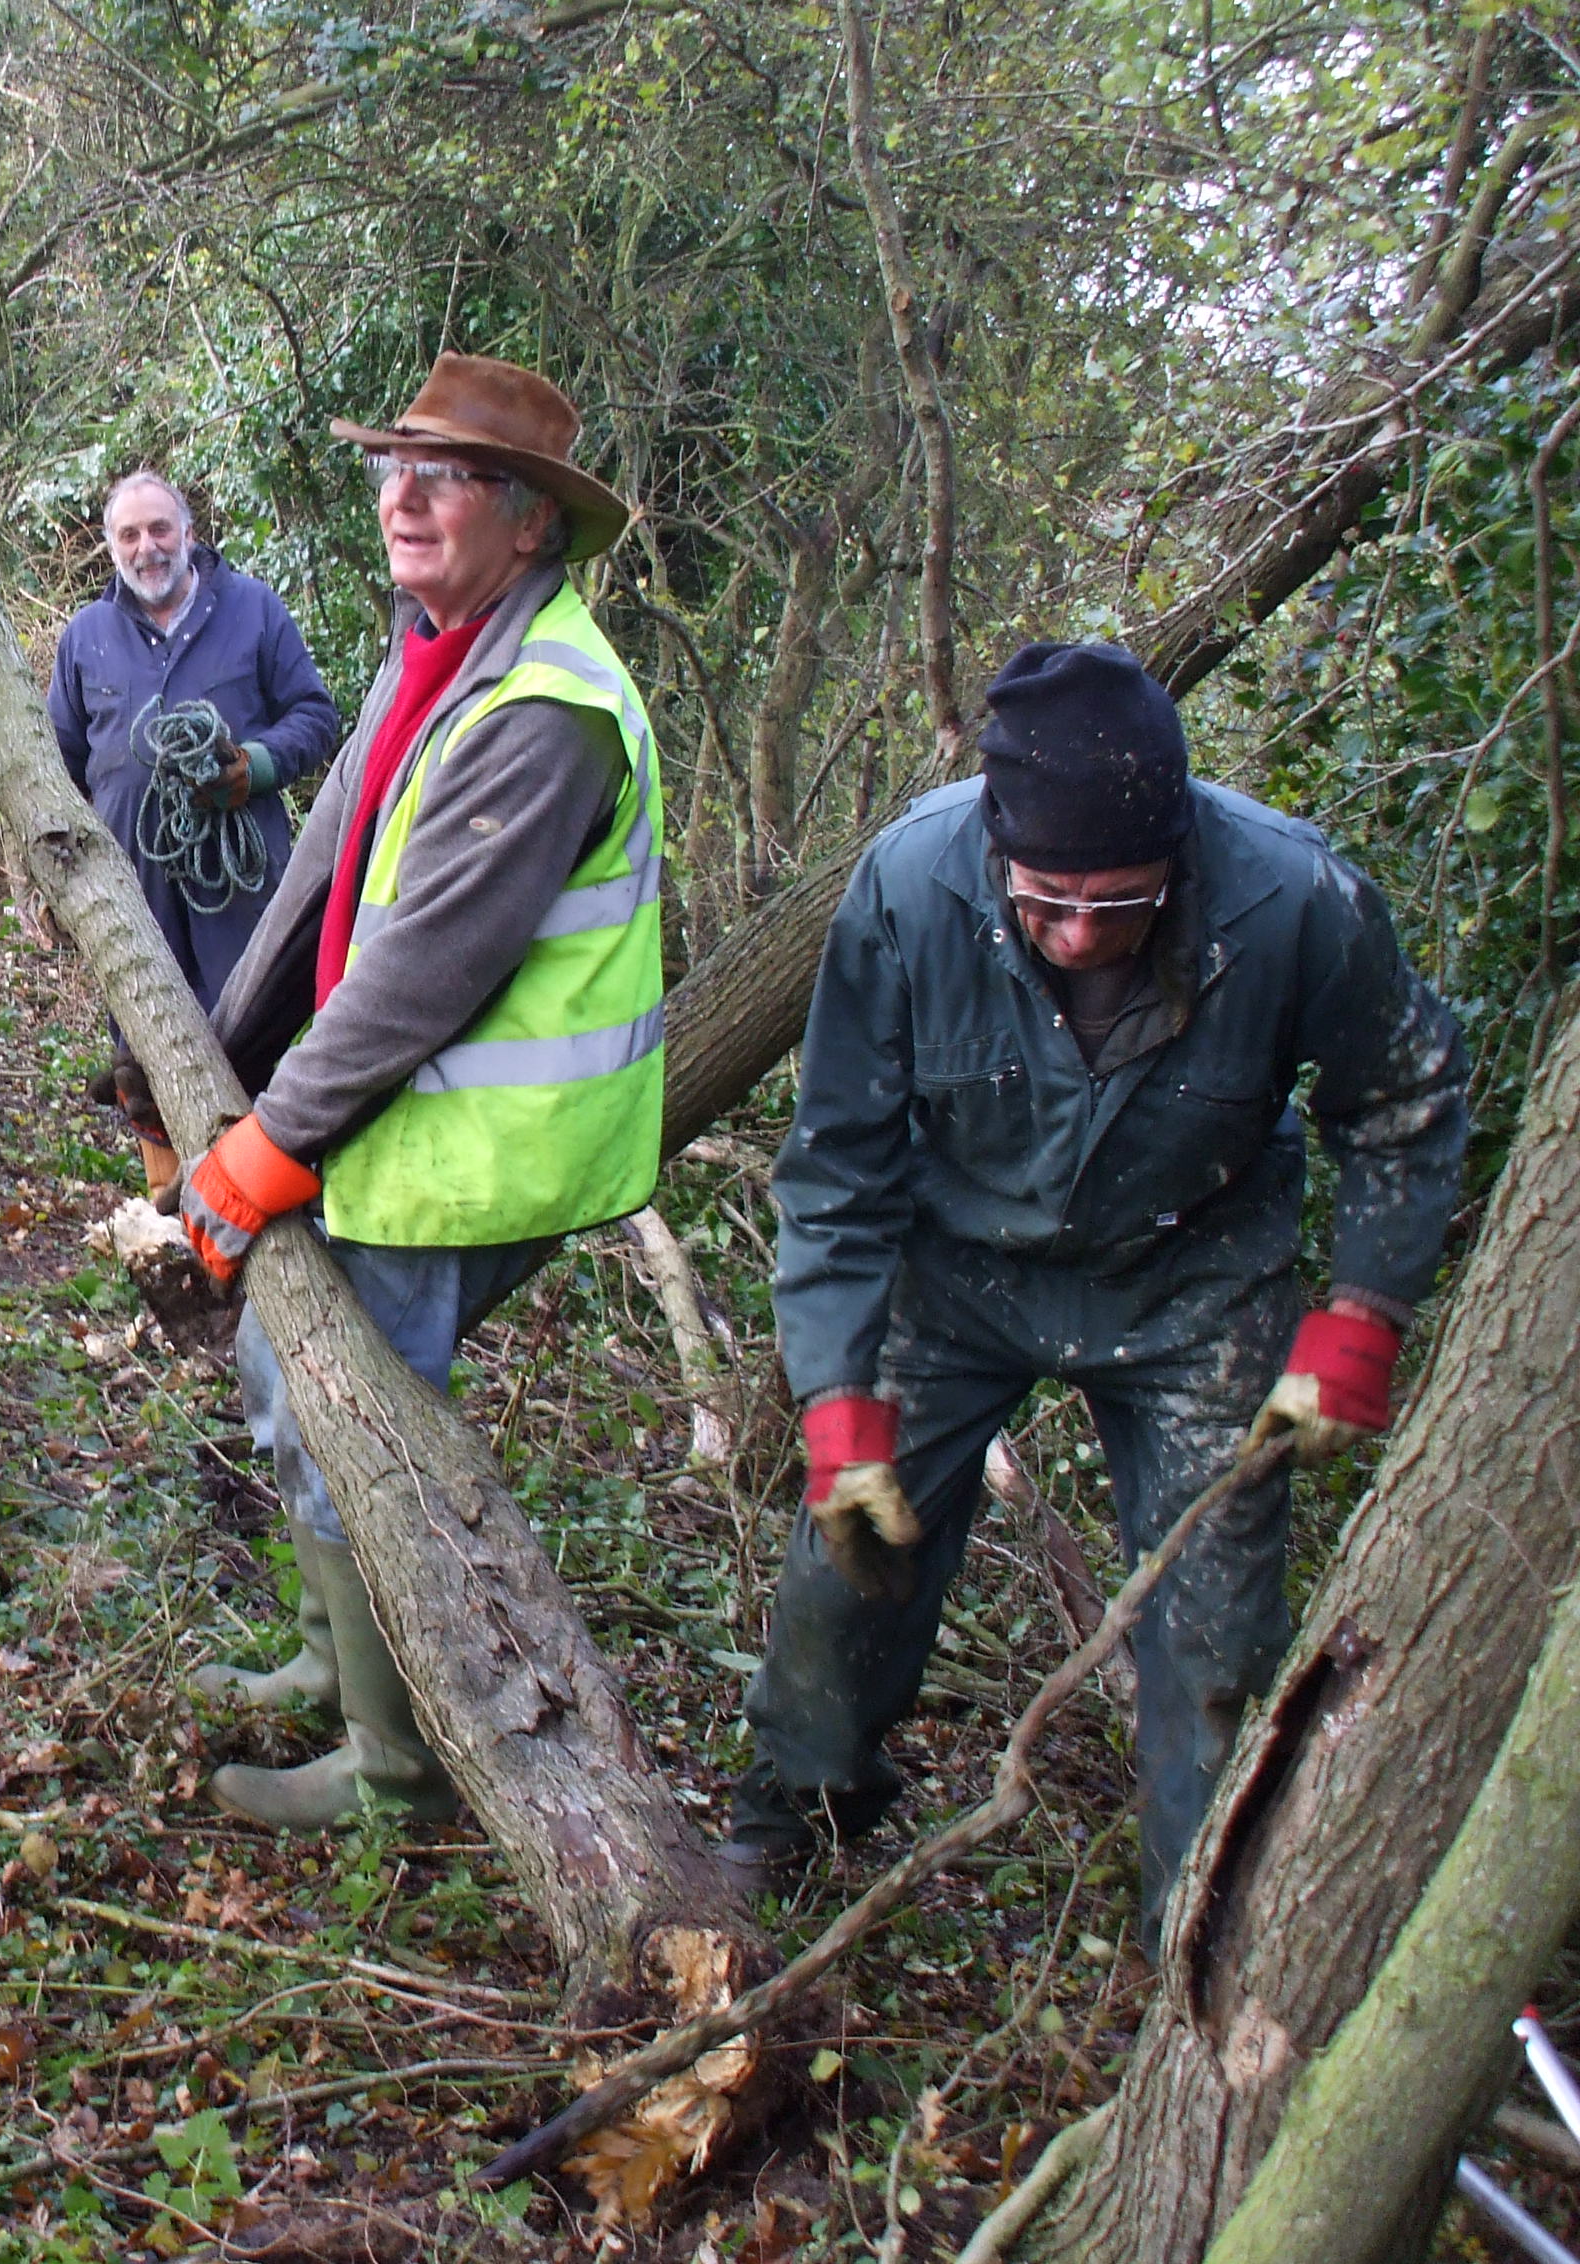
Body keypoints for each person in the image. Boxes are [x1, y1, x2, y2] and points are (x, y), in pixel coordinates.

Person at [724, 641, 1468, 1927]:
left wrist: (1362, 1315)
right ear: (997, 846)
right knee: (842, 1558)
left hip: (1193, 1281)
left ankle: (1205, 1919)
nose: (1076, 937)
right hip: (953, 1274)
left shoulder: (1292, 902)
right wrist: (837, 1397)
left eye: (1115, 907)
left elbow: (1402, 1097)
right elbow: (837, 1161)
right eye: (1045, 903)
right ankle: (794, 1812)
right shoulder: (908, 884)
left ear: (1176, 851)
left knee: (1217, 1632)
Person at [172, 353, 658, 1827]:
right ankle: (337, 1667)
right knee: (286, 1381)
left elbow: (421, 974)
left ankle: (393, 1774)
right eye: (393, 472)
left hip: (468, 1144)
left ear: (531, 526)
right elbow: (326, 861)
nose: (404, 501)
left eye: (444, 481)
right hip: (388, 1124)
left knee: (346, 1427)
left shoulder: (547, 707)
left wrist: (263, 1148)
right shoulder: (435, 648)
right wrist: (215, 1047)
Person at [50, 473, 338, 1197]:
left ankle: (254, 1223)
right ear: (111, 545)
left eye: (159, 530)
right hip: (130, 894)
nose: (147, 549)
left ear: (187, 530)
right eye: (129, 535)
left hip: (238, 893)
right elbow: (59, 764)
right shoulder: (86, 637)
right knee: (143, 1063)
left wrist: (257, 766)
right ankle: (174, 1230)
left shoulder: (254, 610)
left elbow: (315, 715)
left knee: (248, 1049)